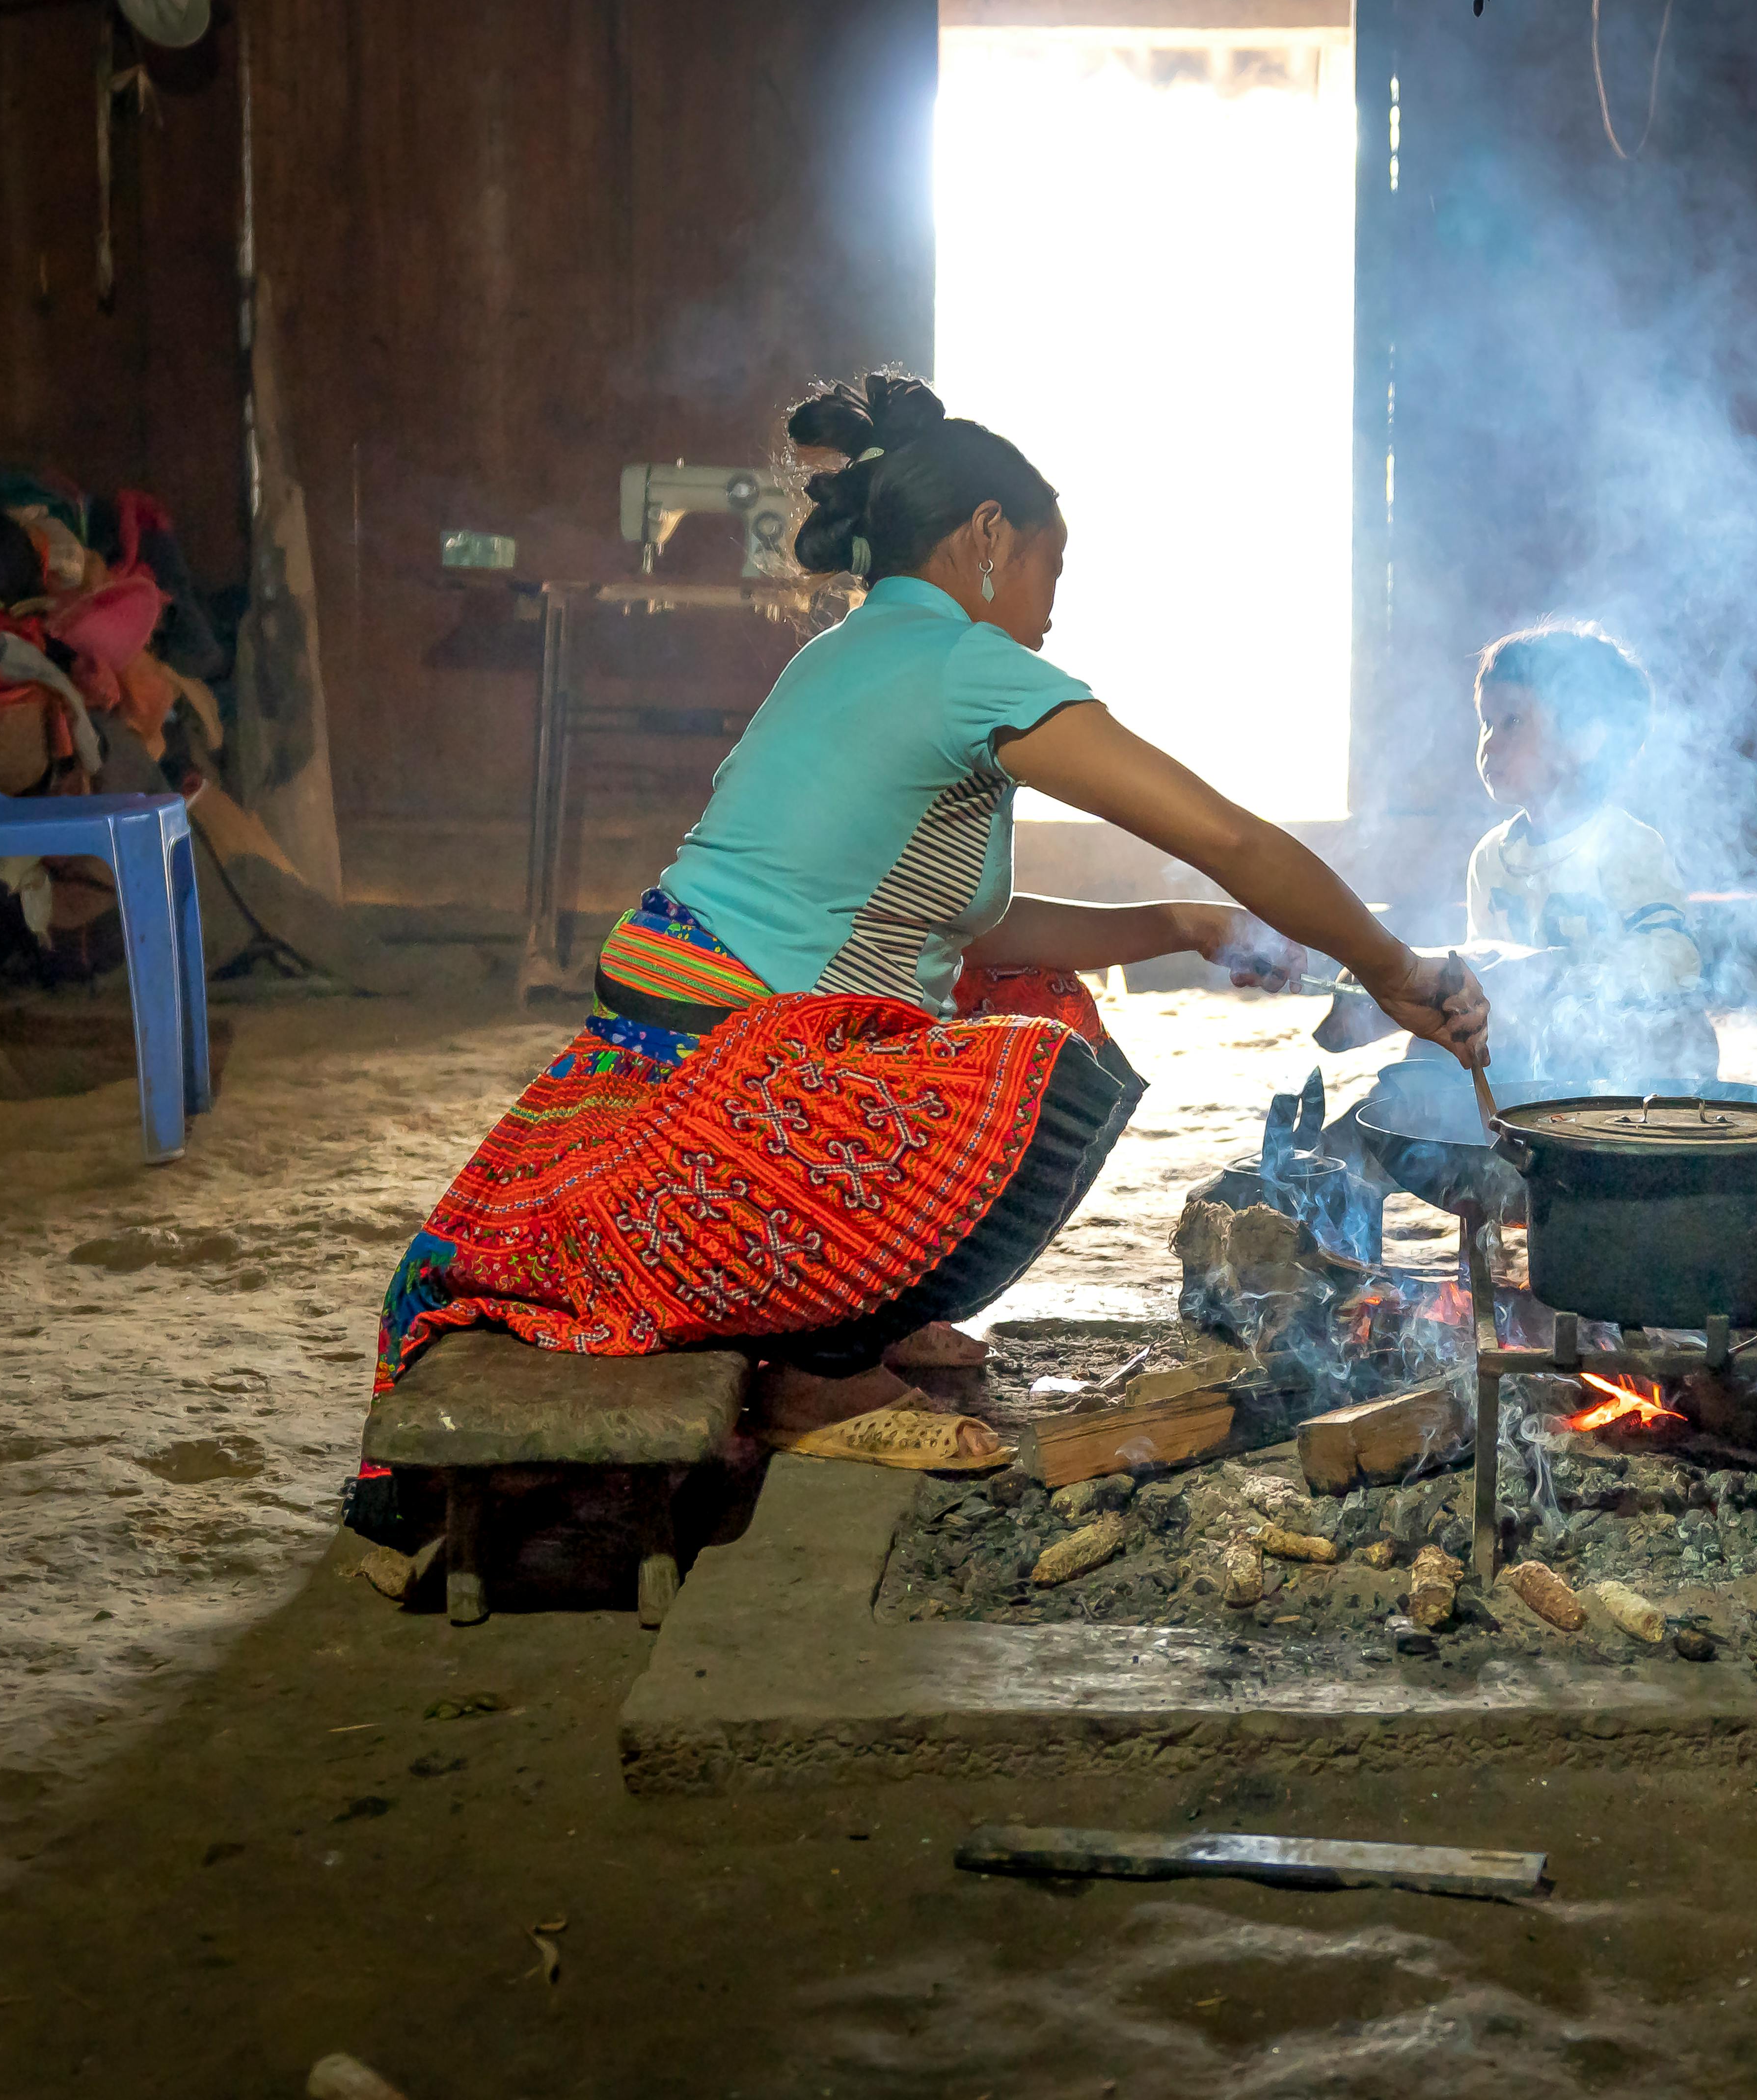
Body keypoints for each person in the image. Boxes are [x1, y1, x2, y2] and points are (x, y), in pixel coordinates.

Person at [346, 372, 1487, 1539]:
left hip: (661, 1083)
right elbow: (1230, 833)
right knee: (1036, 1061)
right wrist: (1394, 968)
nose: (1049, 605)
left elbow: (957, 930)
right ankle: (820, 1366)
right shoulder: (966, 666)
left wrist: (1182, 924)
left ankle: (856, 1310)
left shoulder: (850, 653)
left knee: (1026, 992)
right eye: (1051, 566)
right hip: (716, 1104)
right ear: (988, 536)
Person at [1457, 622, 1716, 1087]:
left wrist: (1568, 975)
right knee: (1430, 1055)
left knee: (1677, 1033)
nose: (1490, 742)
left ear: (1586, 738)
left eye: (1512, 721)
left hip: (1627, 1060)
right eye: (1486, 723)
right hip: (1534, 1061)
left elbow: (1675, 958)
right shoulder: (1490, 858)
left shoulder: (1626, 845)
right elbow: (1484, 976)